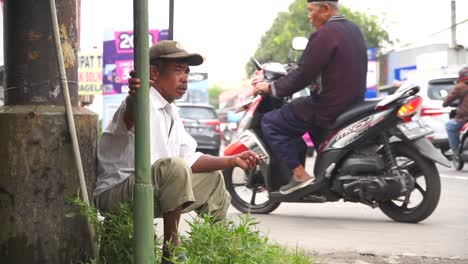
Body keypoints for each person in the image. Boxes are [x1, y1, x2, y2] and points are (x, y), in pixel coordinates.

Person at [93, 40, 260, 263]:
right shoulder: (141, 101)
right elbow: (132, 113)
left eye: (187, 72)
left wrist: (232, 160)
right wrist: (135, 94)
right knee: (174, 167)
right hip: (117, 194)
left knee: (212, 179)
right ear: (153, 72)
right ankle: (171, 250)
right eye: (178, 70)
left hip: (152, 189)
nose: (185, 78)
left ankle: (222, 249)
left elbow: (191, 158)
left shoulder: (171, 110)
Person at [253, 0, 367, 194]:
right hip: (353, 101)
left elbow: (303, 74)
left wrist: (271, 87)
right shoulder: (353, 29)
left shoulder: (324, 34)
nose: (308, 16)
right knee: (298, 111)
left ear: (325, 9)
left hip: (329, 104)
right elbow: (333, 67)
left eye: (310, 10)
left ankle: (299, 175)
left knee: (271, 122)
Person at [443, 67, 468, 159]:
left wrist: (445, 103)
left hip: (465, 116)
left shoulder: (460, 86)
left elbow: (447, 101)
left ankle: (455, 150)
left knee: (450, 125)